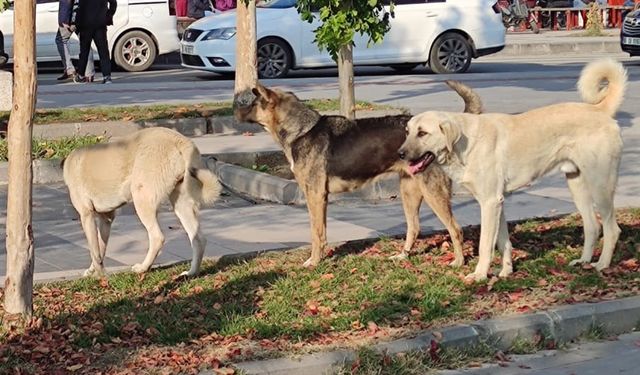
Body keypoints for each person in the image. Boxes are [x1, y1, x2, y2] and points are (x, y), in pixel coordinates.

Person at [75, 0, 117, 84]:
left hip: (85, 25)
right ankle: (107, 76)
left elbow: (79, 9)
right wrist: (108, 14)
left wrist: (77, 25)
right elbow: (113, 2)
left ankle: (80, 75)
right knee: (103, 52)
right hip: (100, 24)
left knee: (84, 52)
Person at [56, 0, 95, 82]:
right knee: (85, 43)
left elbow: (66, 1)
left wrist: (64, 19)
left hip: (71, 18)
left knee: (60, 40)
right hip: (84, 17)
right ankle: (89, 74)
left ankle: (69, 69)